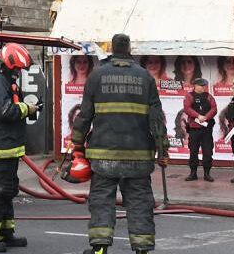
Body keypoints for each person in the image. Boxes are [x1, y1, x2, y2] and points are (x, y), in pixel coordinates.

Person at [71, 33, 167, 254]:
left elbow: (85, 115)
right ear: (130, 49)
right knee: (140, 202)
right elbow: (156, 117)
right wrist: (163, 149)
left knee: (102, 201)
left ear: (112, 49)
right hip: (139, 155)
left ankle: (100, 249)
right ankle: (141, 249)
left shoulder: (96, 76)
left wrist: (76, 144)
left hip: (103, 155)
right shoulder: (145, 77)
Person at [0, 43, 37, 252]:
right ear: (8, 63)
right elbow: (4, 111)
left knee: (7, 191)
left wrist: (26, 109)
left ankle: (4, 233)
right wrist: (26, 108)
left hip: (7, 147)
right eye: (17, 69)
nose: (18, 73)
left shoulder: (3, 79)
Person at [182, 77, 216, 182]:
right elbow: (187, 108)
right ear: (195, 85)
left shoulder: (209, 96)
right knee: (193, 151)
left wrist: (206, 117)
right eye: (201, 85)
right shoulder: (189, 96)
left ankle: (207, 173)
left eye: (204, 86)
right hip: (194, 129)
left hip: (206, 128)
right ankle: (193, 173)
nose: (203, 87)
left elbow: (214, 108)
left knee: (207, 151)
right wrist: (198, 116)